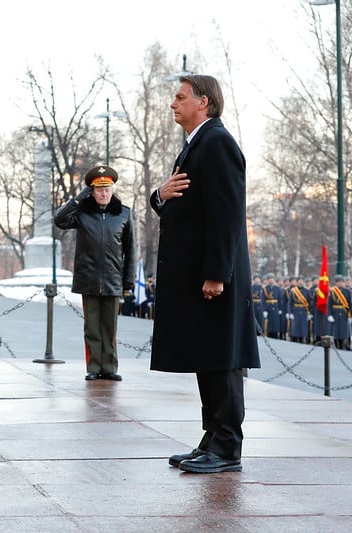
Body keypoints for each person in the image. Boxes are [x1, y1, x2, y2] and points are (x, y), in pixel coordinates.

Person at [150, 74, 260, 474]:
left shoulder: (217, 143)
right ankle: (212, 438)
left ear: (204, 102)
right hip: (201, 276)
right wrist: (158, 195)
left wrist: (216, 273)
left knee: (222, 361)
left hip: (216, 278)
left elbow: (227, 216)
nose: (173, 104)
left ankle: (228, 447)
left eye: (180, 97)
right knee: (207, 357)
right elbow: (179, 200)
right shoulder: (197, 144)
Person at [54, 165, 135, 381]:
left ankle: (109, 367)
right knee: (92, 328)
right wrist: (79, 199)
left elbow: (130, 249)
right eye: (99, 189)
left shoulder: (124, 214)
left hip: (112, 279)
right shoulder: (82, 213)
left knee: (109, 327)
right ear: (92, 191)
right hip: (88, 278)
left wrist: (128, 281)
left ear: (112, 190)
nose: (104, 193)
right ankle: (94, 367)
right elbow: (59, 220)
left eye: (107, 189)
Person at [328, 275, 351, 350]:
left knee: (343, 332)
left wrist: (350, 316)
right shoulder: (332, 291)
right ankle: (336, 346)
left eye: (342, 282)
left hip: (344, 313)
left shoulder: (347, 291)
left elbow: (350, 305)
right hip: (335, 314)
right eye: (339, 282)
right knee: (336, 332)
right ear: (336, 283)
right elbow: (329, 304)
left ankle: (343, 346)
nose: (341, 283)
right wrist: (329, 315)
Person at [287, 276, 311, 344]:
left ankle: (302, 341)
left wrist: (309, 313)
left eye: (302, 280)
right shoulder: (293, 291)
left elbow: (309, 303)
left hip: (304, 311)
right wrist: (290, 313)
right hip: (295, 311)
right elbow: (290, 303)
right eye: (299, 280)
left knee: (303, 329)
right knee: (295, 329)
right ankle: (294, 341)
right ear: (297, 282)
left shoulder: (307, 291)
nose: (300, 281)